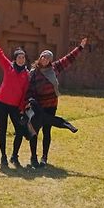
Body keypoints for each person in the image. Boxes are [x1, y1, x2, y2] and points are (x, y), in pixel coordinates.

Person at [25, 38, 87, 168]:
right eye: (43, 57)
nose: (45, 59)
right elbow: (29, 89)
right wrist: (30, 102)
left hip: (51, 105)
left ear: (50, 60)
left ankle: (44, 157)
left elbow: (69, 59)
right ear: (40, 58)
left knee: (47, 131)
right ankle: (33, 157)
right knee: (34, 131)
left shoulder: (55, 68)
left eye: (47, 58)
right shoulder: (34, 72)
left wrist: (80, 47)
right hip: (38, 106)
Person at [0, 28, 29, 169]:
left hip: (15, 107)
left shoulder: (27, 75)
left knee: (19, 131)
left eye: (23, 57)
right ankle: (3, 156)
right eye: (19, 57)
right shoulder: (8, 66)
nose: (21, 59)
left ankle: (14, 155)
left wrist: (21, 109)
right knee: (2, 130)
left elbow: (25, 93)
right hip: (1, 104)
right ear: (15, 59)